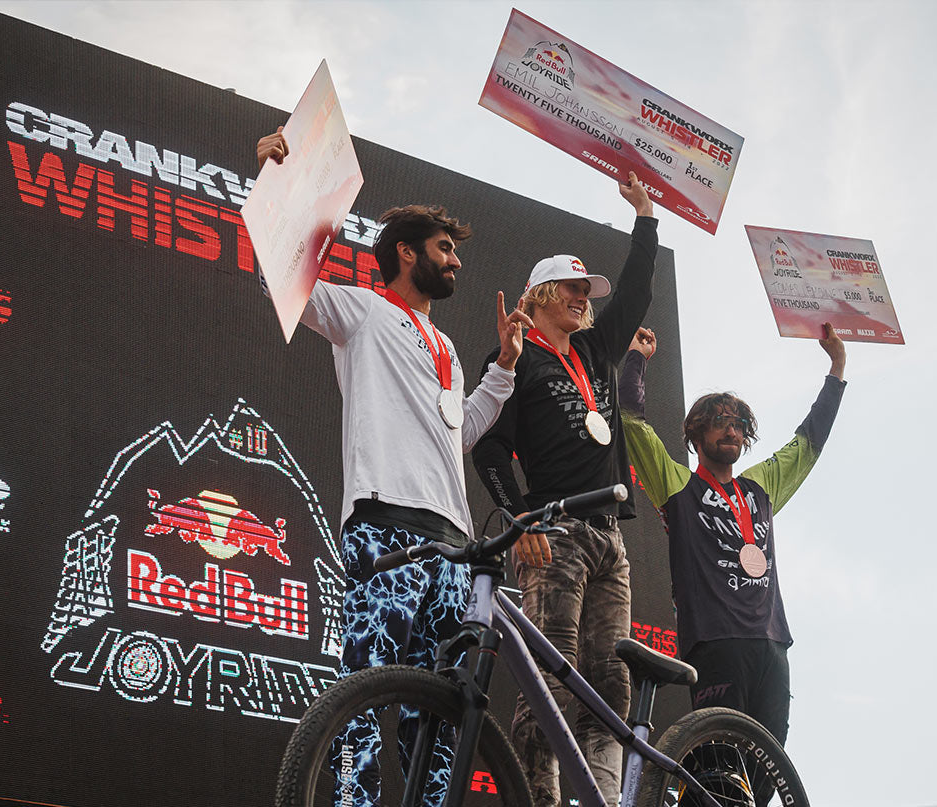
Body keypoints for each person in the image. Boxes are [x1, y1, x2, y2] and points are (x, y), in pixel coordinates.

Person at [256, 129, 533, 805]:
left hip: (456, 547)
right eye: (445, 249)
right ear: (406, 252)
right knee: (365, 683)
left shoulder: (445, 344)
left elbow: (457, 430)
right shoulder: (362, 309)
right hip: (387, 529)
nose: (456, 263)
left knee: (436, 714)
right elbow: (286, 267)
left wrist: (503, 367)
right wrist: (276, 181)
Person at [472, 172, 657, 807]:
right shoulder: (515, 355)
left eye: (587, 291)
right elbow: (489, 446)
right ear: (544, 293)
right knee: (551, 681)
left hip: (610, 539)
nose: (585, 299)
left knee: (611, 683)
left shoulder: (598, 348)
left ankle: (601, 800)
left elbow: (634, 292)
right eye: (574, 290)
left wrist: (645, 218)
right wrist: (519, 519)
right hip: (555, 533)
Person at [618, 324, 847, 745]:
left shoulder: (760, 488)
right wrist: (636, 359)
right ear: (697, 433)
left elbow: (809, 440)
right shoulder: (678, 487)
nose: (733, 432)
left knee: (768, 768)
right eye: (721, 423)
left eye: (740, 425)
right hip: (714, 641)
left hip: (773, 644)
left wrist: (836, 367)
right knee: (716, 767)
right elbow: (632, 423)